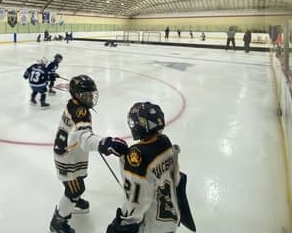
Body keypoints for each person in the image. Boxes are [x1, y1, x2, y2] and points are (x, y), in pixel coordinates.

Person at [50, 75, 128, 233]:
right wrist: (103, 144)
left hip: (71, 151)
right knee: (75, 188)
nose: (91, 98)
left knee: (79, 179)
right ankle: (58, 221)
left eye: (92, 94)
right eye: (86, 95)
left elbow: (80, 134)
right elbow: (83, 136)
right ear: (76, 94)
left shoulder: (73, 104)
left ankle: (74, 201)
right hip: (67, 156)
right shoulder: (81, 112)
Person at [106, 101, 195, 233]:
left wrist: (125, 224)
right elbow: (176, 180)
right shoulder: (165, 142)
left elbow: (137, 201)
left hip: (152, 226)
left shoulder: (137, 155)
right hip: (171, 218)